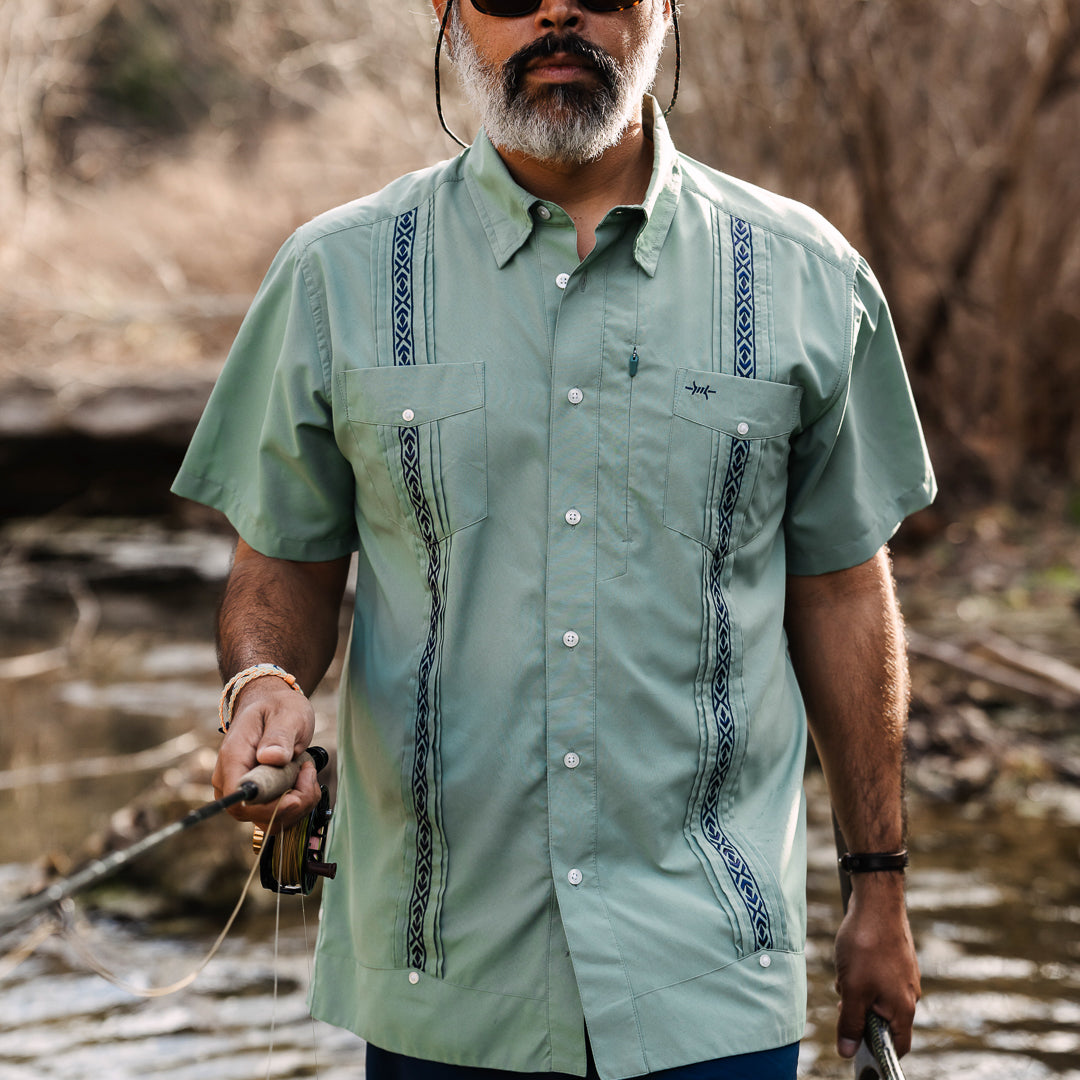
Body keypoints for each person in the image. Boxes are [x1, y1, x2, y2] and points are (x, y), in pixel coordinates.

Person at [172, 2, 934, 1078]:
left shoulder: (807, 275)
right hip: (442, 980)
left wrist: (879, 889)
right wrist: (262, 682)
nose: (557, 12)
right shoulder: (333, 275)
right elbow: (283, 566)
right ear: (448, 14)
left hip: (712, 975)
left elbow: (844, 593)